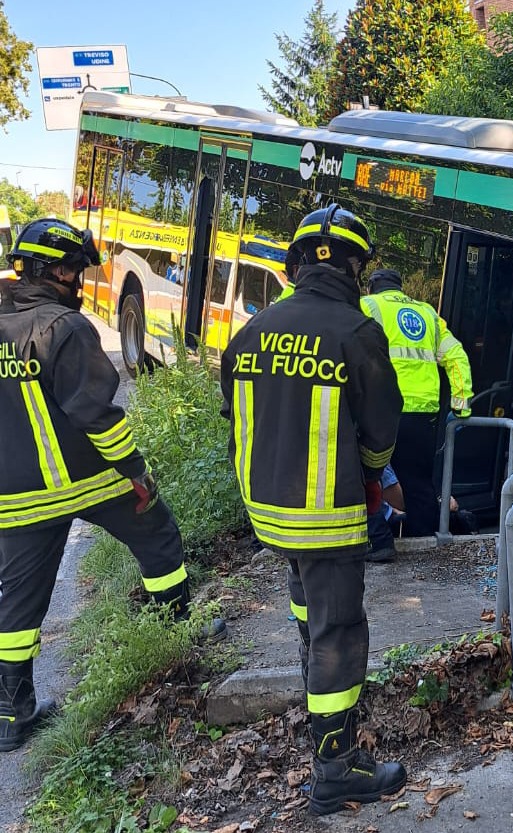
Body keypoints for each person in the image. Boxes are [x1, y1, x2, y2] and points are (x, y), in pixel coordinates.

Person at [1, 218, 221, 753]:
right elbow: (99, 417)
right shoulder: (66, 329)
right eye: (76, 269)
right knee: (160, 537)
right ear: (53, 270)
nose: (80, 280)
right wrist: (137, 472)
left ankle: (10, 714)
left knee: (18, 606)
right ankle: (175, 634)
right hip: (90, 478)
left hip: (17, 494)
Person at [219, 204, 406, 815]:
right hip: (326, 516)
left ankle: (313, 677)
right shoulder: (356, 332)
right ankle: (336, 767)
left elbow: (239, 419)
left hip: (268, 514)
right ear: (355, 267)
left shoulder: (249, 331)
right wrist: (373, 479)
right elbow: (380, 429)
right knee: (339, 633)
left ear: (297, 263)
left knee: (307, 610)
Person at [361, 269, 474, 539]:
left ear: (371, 288)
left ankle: (375, 539)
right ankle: (421, 544)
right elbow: (457, 356)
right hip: (423, 416)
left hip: (381, 411)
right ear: (401, 289)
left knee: (366, 476)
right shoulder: (427, 313)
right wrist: (461, 407)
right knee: (419, 485)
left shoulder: (367, 306)